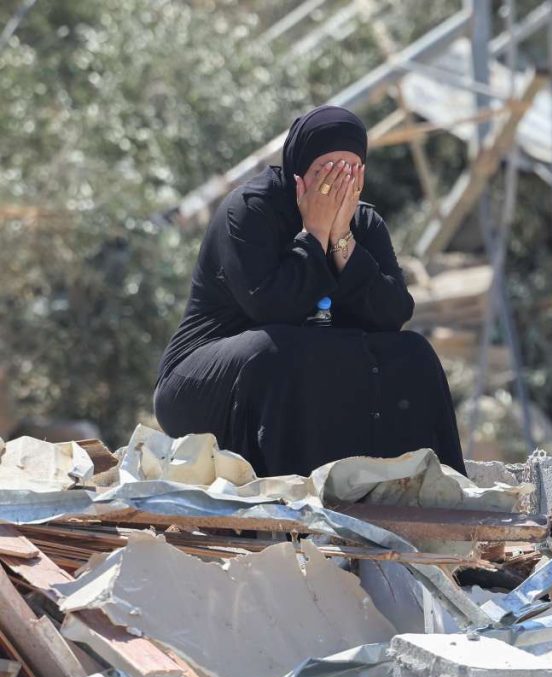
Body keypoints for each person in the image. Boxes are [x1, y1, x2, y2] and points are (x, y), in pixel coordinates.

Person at [153, 106, 466, 477]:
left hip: (306, 376)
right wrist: (315, 234)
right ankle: (285, 494)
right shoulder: (251, 210)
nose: (334, 187)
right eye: (325, 172)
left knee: (412, 353)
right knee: (277, 347)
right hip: (205, 384)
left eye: (347, 172)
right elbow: (272, 307)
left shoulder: (363, 222)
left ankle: (425, 486)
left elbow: (392, 313)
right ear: (299, 169)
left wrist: (341, 241)